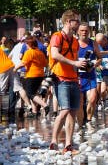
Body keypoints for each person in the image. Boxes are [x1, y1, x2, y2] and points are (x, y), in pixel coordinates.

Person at [49, 10, 87, 153]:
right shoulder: (57, 36)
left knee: (73, 111)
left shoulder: (75, 41)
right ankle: (54, 141)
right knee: (65, 110)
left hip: (73, 78)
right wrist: (74, 63)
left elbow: (75, 60)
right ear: (67, 22)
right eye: (76, 21)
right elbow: (55, 54)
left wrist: (83, 65)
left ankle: (68, 145)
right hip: (61, 78)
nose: (78, 24)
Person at [15, 35, 48, 117]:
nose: (26, 45)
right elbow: (45, 64)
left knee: (30, 94)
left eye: (26, 44)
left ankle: (45, 105)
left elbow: (23, 63)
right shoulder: (40, 52)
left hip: (32, 75)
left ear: (29, 44)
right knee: (34, 93)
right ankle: (34, 111)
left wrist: (15, 69)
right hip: (40, 75)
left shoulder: (29, 52)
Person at [76, 23, 100, 127]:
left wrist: (93, 65)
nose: (84, 32)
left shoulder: (93, 43)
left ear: (89, 31)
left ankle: (89, 120)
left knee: (93, 98)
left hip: (90, 75)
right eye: (82, 30)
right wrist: (76, 64)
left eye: (86, 30)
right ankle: (81, 125)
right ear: (78, 31)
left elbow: (99, 58)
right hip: (78, 77)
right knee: (80, 103)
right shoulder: (74, 43)